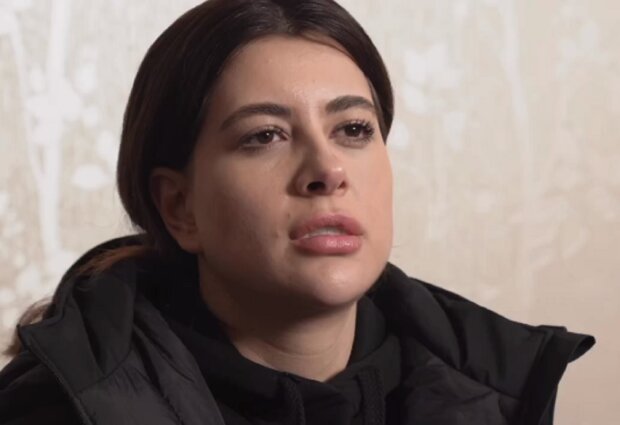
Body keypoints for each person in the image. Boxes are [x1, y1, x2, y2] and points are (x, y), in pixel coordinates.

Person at [0, 0, 594, 424]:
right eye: (264, 136)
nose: (328, 170)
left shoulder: (495, 392)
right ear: (180, 208)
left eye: (353, 129)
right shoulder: (53, 408)